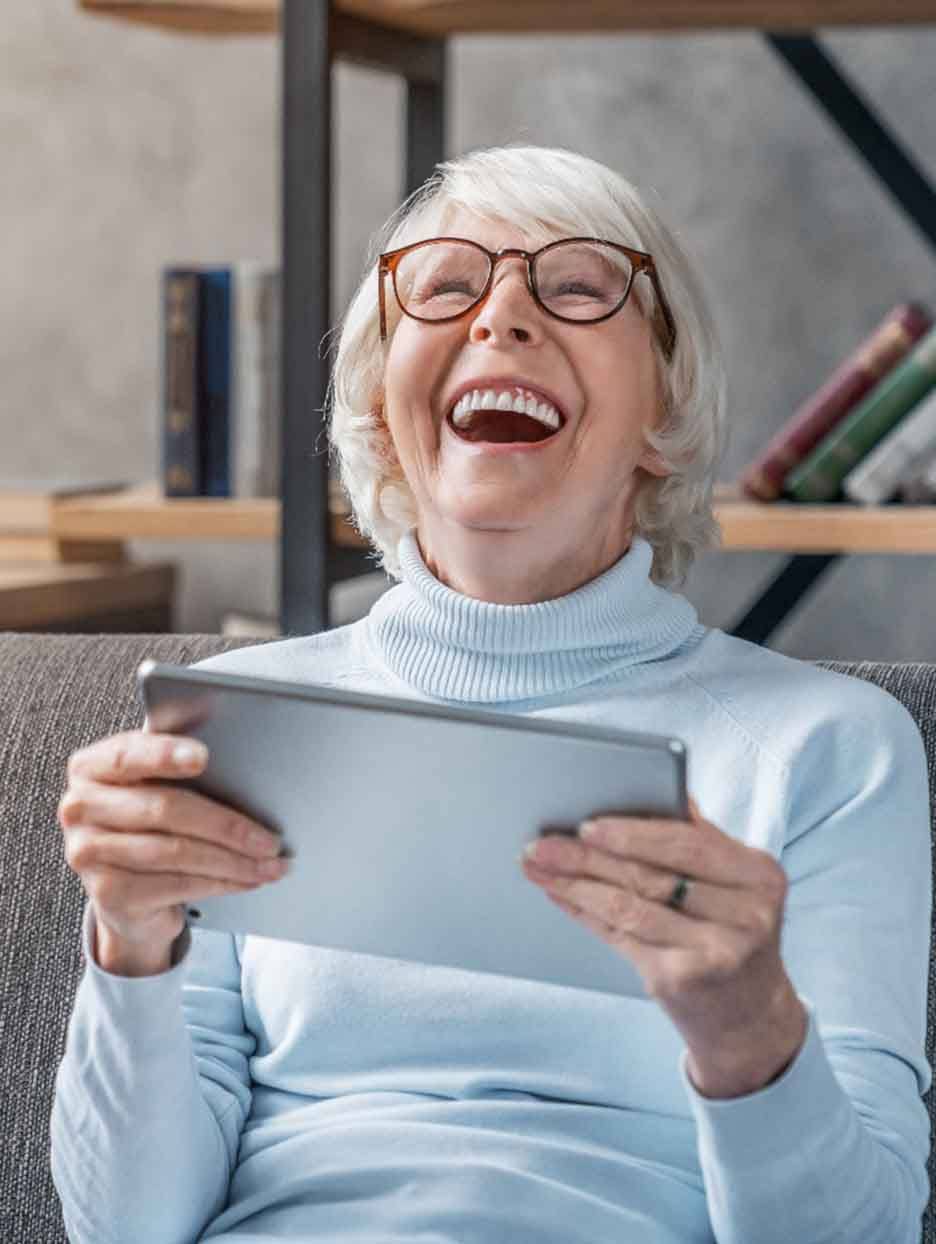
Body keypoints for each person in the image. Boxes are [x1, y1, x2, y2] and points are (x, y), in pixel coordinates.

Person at [51, 144, 931, 1243]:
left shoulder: (829, 747)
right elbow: (123, 1228)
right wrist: (130, 944)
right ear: (379, 405)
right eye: (446, 285)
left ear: (665, 411)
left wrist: (750, 1029)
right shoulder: (228, 727)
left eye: (575, 285)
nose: (503, 314)